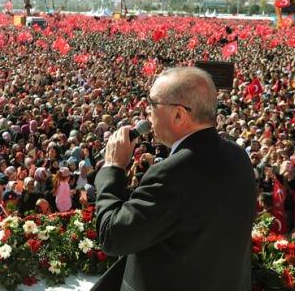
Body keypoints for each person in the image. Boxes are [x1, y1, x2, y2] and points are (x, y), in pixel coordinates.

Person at [95, 67, 257, 291]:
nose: (147, 112)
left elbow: (113, 236)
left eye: (152, 104)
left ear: (179, 114)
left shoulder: (173, 173)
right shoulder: (239, 156)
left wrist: (113, 168)